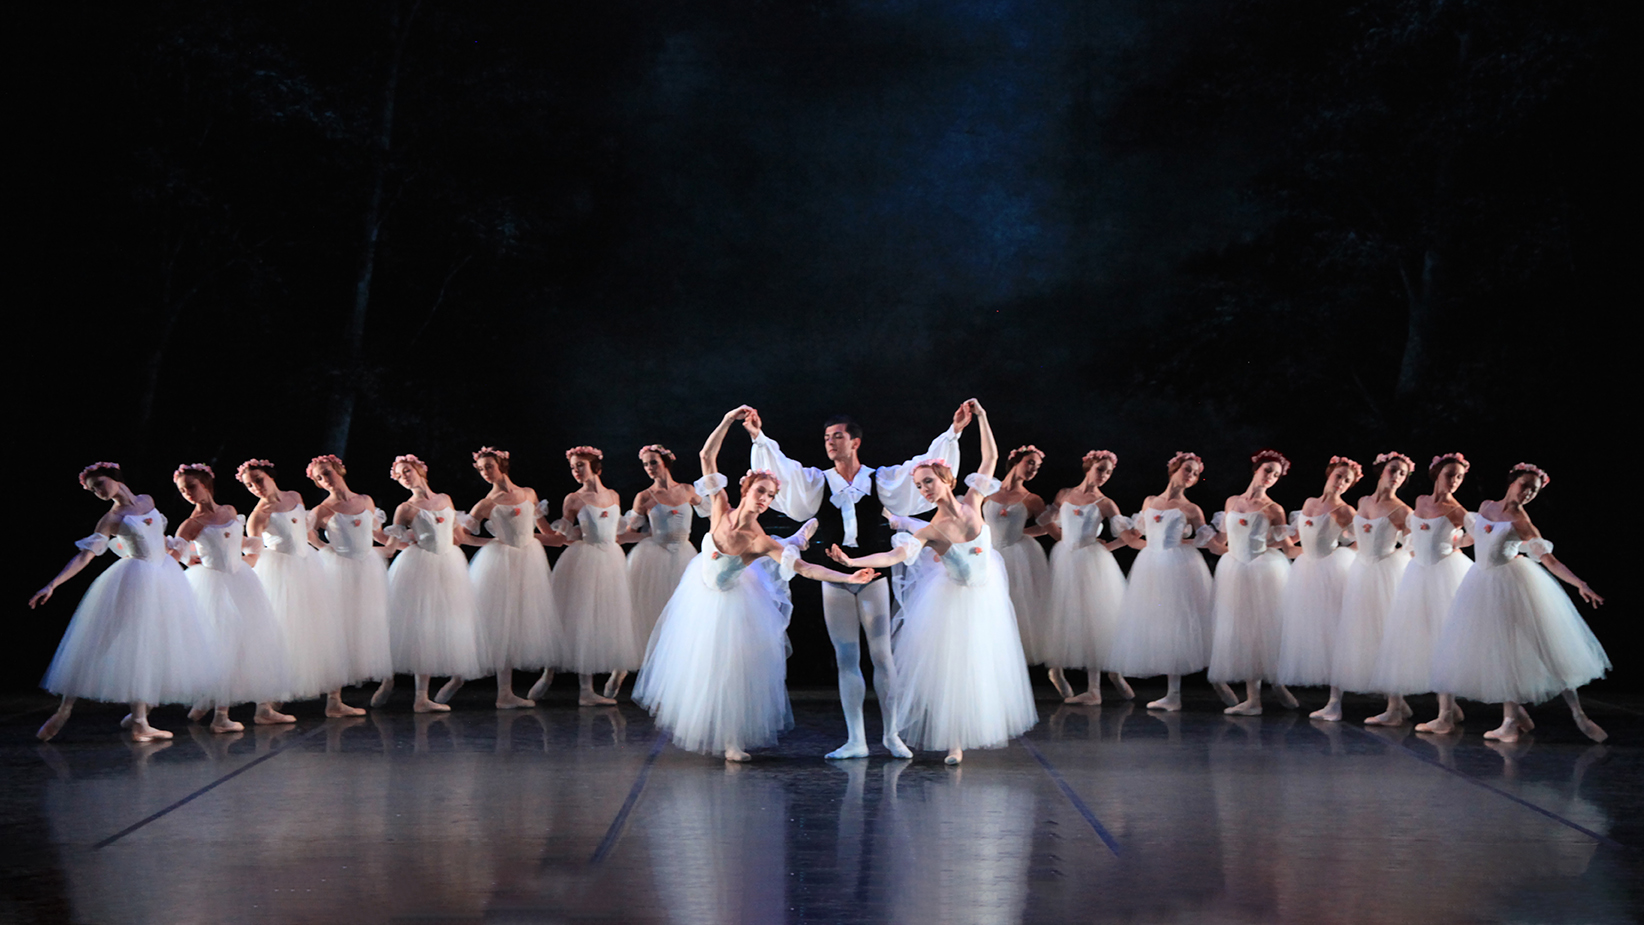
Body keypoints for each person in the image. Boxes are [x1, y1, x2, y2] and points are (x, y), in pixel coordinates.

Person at [634, 407, 877, 760]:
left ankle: (732, 739)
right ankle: (707, 727)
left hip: (733, 604)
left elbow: (806, 569)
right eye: (761, 491)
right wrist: (729, 421)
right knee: (697, 667)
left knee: (731, 671)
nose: (764, 500)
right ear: (746, 488)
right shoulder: (718, 505)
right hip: (700, 595)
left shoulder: (758, 540)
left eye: (770, 496)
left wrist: (847, 575)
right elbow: (706, 455)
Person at [745, 401, 972, 759]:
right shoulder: (818, 481)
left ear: (855, 442)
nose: (830, 443)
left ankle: (892, 734)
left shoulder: (880, 479)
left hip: (874, 573)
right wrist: (758, 435)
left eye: (837, 437)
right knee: (846, 656)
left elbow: (925, 467)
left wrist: (954, 432)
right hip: (834, 577)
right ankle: (856, 739)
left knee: (882, 655)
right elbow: (782, 470)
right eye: (826, 438)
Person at [828, 400, 1036, 764]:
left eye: (927, 482)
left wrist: (982, 418)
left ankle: (973, 730)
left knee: (984, 665)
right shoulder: (931, 529)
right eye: (919, 485)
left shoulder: (973, 500)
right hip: (953, 601)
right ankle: (954, 740)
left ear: (946, 480)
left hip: (985, 596)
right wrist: (851, 561)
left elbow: (990, 458)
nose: (923, 489)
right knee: (956, 668)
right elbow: (892, 557)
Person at [30, 463, 218, 741]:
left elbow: (158, 540)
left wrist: (184, 554)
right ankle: (64, 710)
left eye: (100, 484)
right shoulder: (111, 519)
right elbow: (85, 556)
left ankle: (140, 719)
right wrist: (53, 584)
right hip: (136, 579)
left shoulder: (147, 501)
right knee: (103, 642)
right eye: (93, 490)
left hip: (164, 575)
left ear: (115, 478)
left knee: (151, 646)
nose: (98, 492)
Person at [1430, 463, 1608, 742]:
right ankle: (1511, 720)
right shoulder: (1487, 506)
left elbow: (1549, 560)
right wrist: (1447, 543)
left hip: (1511, 584)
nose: (1527, 493)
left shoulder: (1522, 522)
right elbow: (1473, 537)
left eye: (1534, 491)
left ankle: (1578, 714)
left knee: (1544, 647)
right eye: (1524, 486)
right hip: (1481, 582)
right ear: (1511, 482)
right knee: (1501, 651)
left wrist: (1579, 584)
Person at [1109, 452, 1237, 711]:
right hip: (1151, 565)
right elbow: (1135, 537)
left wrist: (1237, 551)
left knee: (1182, 624)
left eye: (1195, 473)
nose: (1190, 475)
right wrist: (1107, 547)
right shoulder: (1150, 502)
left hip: (1179, 566)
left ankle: (1217, 679)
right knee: (1163, 626)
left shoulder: (1191, 509)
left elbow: (1209, 543)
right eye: (1187, 469)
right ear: (1174, 468)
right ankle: (1173, 694)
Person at [172, 463, 294, 732]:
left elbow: (236, 541)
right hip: (214, 584)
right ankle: (220, 715)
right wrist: (194, 563)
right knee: (223, 644)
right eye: (182, 490)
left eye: (191, 486)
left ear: (205, 484)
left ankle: (258, 707)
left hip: (241, 580)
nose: (188, 493)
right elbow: (176, 555)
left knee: (251, 641)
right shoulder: (191, 524)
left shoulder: (229, 511)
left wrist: (251, 555)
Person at [241, 459, 362, 717]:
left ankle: (334, 700)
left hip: (307, 566)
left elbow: (305, 532)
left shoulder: (294, 497)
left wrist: (325, 548)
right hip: (280, 573)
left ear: (270, 476)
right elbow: (253, 552)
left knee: (323, 630)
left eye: (258, 480)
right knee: (282, 633)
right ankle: (267, 703)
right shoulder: (258, 516)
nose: (256, 487)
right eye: (249, 485)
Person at [439, 447, 558, 708]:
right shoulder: (486, 504)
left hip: (529, 561)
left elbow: (542, 530)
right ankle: (460, 676)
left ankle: (505, 693)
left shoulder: (528, 494)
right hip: (499, 563)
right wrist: (491, 541)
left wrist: (566, 539)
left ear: (502, 464)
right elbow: (461, 537)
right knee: (492, 623)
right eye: (481, 469)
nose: (484, 472)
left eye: (488, 467)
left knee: (515, 624)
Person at [1369, 453, 1474, 733]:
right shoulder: (1421, 502)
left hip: (1443, 573)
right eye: (1450, 474)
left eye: (1460, 477)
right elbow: (1415, 534)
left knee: (1443, 638)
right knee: (1408, 636)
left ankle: (1445, 714)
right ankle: (1395, 709)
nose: (1454, 481)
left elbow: (1476, 534)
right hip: (1417, 572)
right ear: (1437, 474)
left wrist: (1455, 542)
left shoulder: (1456, 509)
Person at [381, 454, 483, 712]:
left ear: (419, 470)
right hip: (421, 565)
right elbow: (393, 545)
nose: (404, 476)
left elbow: (459, 537)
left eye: (406, 470)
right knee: (422, 626)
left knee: (454, 621)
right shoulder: (406, 508)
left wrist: (496, 543)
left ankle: (457, 678)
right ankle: (419, 697)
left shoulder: (445, 499)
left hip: (449, 564)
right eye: (399, 474)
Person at [1316, 452, 1413, 723]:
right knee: (1350, 633)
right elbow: (1359, 537)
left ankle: (1395, 706)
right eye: (1393, 470)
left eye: (1402, 474)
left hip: (1385, 572)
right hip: (1360, 571)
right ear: (1381, 470)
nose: (1396, 477)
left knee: (1386, 635)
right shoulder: (1363, 501)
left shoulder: (1402, 510)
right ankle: (1334, 703)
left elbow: (1414, 544)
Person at [1206, 450, 1299, 715]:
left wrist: (1324, 551)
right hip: (1234, 569)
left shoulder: (1274, 509)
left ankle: (1276, 684)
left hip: (1262, 570)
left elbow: (1288, 548)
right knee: (1240, 630)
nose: (1271, 477)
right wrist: (1193, 539)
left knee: (1263, 631)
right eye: (1268, 470)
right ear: (1256, 469)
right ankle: (1253, 698)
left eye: (1276, 475)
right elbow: (1221, 543)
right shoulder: (1232, 502)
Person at [1037, 450, 1134, 704]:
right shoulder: (1065, 495)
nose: (1104, 475)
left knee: (1094, 620)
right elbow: (1050, 523)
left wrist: (1104, 548)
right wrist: (1061, 540)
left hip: (1091, 562)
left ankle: (1095, 688)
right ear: (1089, 466)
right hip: (1065, 558)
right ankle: (1055, 669)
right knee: (1062, 613)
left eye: (1109, 472)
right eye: (1101, 469)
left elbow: (1125, 536)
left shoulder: (1105, 503)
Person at [548, 446, 641, 706]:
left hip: (611, 559)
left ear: (594, 467)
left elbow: (616, 533)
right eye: (573, 467)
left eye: (580, 465)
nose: (576, 471)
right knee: (584, 619)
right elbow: (562, 537)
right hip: (587, 559)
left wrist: (647, 536)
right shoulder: (573, 499)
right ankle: (585, 689)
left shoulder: (613, 496)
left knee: (610, 616)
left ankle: (614, 674)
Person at [615, 444, 708, 698]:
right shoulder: (644, 496)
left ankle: (682, 680)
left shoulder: (688, 490)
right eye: (645, 464)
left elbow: (712, 512)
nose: (649, 468)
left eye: (653, 462)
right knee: (653, 615)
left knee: (685, 616)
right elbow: (629, 530)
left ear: (665, 461)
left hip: (685, 556)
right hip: (655, 556)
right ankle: (630, 671)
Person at [306, 454, 395, 707]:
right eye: (319, 478)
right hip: (340, 570)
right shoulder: (322, 509)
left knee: (370, 622)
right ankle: (334, 698)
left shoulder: (365, 500)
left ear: (339, 470)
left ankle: (384, 679)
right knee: (340, 627)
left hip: (368, 568)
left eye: (327, 472)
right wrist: (325, 547)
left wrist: (397, 541)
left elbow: (375, 532)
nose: (325, 480)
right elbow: (306, 532)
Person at [1274, 457, 1361, 710]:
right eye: (1339, 476)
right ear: (1329, 473)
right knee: (1309, 630)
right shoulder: (1309, 503)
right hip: (1306, 570)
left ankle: (1335, 701)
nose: (1341, 483)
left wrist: (1339, 557)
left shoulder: (1345, 511)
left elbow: (1361, 541)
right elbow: (1295, 541)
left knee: (1333, 633)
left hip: (1329, 572)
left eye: (1348, 480)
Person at [985, 445, 1051, 678]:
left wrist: (1022, 534)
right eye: (1030, 462)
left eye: (1038, 466)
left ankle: (1009, 676)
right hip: (988, 556)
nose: (1034, 469)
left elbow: (1047, 528)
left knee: (1013, 611)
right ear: (1015, 461)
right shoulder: (987, 492)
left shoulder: (1032, 499)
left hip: (1015, 559)